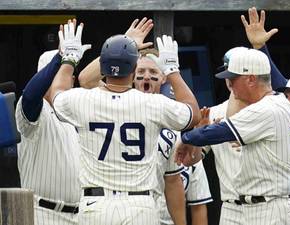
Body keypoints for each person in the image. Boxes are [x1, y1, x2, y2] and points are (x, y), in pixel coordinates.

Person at [50, 19, 200, 225]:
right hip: (139, 204)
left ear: (102, 67)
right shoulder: (153, 103)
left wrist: (69, 59)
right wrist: (172, 70)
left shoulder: (82, 100)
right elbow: (193, 113)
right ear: (134, 69)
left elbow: (57, 92)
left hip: (96, 205)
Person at [177, 47, 290, 225]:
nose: (229, 83)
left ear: (251, 79)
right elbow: (196, 153)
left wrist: (186, 138)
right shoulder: (276, 103)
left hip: (271, 206)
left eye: (233, 78)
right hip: (238, 207)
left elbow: (221, 131)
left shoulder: (270, 107)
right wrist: (197, 137)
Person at [15, 48, 82, 224]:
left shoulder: (74, 115)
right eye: (60, 74)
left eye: (69, 75)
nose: (67, 79)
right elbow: (30, 96)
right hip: (42, 212)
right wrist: (62, 55)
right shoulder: (37, 112)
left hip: (78, 214)